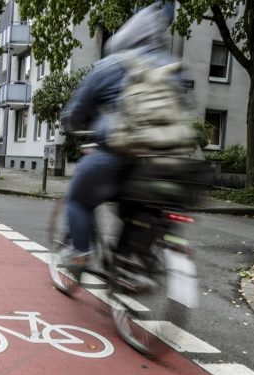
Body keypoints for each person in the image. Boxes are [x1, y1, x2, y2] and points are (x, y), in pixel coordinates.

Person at [58, 2, 181, 271]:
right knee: (140, 208)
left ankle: (79, 253)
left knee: (78, 199)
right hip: (165, 165)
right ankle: (132, 263)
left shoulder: (111, 65)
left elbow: (76, 112)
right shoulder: (172, 67)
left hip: (116, 157)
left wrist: (72, 125)